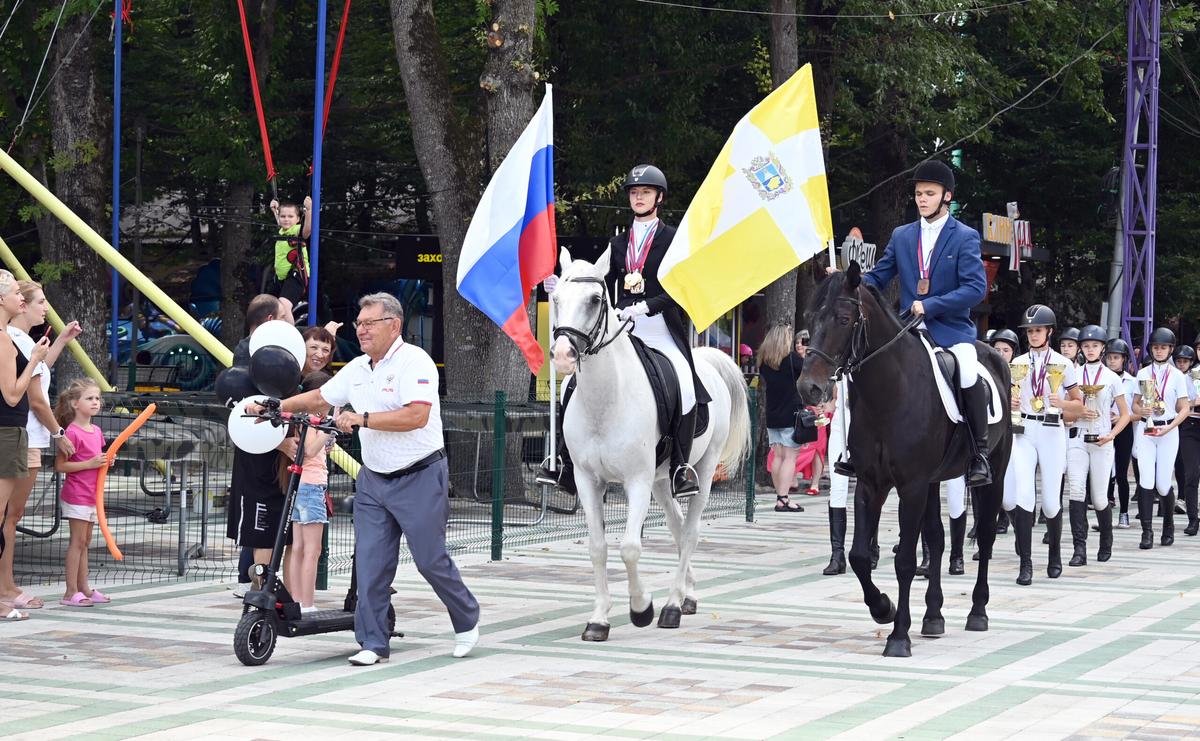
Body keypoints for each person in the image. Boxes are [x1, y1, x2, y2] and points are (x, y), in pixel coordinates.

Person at [256, 292, 479, 664]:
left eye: (368, 324)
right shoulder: (358, 368)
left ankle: (467, 618)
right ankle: (373, 643)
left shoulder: (415, 362)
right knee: (371, 564)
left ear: (394, 325)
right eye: (359, 324)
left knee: (430, 560)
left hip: (420, 474)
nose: (360, 330)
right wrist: (276, 406)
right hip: (375, 479)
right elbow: (319, 398)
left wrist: (363, 419)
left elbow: (416, 416)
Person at [539, 164, 711, 498]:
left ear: (658, 197)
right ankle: (564, 460)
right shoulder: (618, 243)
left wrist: (647, 306)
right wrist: (561, 284)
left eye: (645, 192)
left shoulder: (672, 239)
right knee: (571, 384)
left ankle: (680, 467)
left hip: (660, 325)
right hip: (621, 327)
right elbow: (598, 280)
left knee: (685, 383)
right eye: (634, 193)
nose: (639, 198)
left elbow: (680, 287)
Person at [851, 159, 992, 486]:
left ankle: (978, 453)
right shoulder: (902, 235)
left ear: (947, 196)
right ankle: (852, 450)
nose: (922, 199)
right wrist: (848, 282)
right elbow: (879, 276)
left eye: (930, 193)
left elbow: (974, 289)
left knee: (968, 371)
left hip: (951, 330)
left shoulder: (965, 237)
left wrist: (930, 305)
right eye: (918, 193)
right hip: (907, 330)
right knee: (863, 369)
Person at [0, 280, 81, 613]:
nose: (44, 307)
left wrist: (59, 341)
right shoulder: (11, 339)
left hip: (22, 434)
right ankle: (5, 588)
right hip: (20, 433)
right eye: (38, 300)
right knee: (9, 516)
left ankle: (6, 586)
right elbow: (25, 395)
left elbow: (38, 372)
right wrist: (59, 432)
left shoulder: (20, 340)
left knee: (10, 516)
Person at [1006, 304, 1083, 585]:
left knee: (1051, 501)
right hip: (1024, 429)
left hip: (1052, 430)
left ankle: (1054, 554)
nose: (1033, 335)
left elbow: (1079, 405)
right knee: (1023, 495)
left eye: (1038, 330)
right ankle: (1025, 563)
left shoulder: (1064, 364)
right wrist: (1009, 401)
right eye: (1030, 331)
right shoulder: (1016, 363)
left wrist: (1061, 403)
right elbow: (1006, 400)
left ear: (1049, 331)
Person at [229, 294, 293, 598]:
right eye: (284, 316)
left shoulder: (272, 349)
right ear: (270, 322)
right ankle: (258, 587)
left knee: (269, 526)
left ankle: (260, 582)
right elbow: (252, 407)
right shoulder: (254, 354)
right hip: (261, 448)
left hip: (277, 445)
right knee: (261, 525)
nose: (290, 323)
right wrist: (281, 442)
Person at [0, 270, 49, 621]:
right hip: (6, 432)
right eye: (16, 292)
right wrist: (33, 361)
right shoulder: (4, 340)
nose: (21, 298)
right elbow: (14, 394)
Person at [1064, 325, 1131, 566]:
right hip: (1077, 437)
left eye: (1095, 346)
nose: (1090, 350)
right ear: (1081, 348)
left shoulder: (1112, 378)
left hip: (1102, 438)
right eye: (1086, 346)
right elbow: (1064, 413)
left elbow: (1125, 414)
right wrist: (1074, 413)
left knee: (1100, 498)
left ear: (1103, 348)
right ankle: (1078, 549)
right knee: (1076, 491)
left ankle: (1106, 539)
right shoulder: (1071, 374)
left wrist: (1112, 435)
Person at [276, 372, 333, 614]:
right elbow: (310, 450)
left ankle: (299, 600)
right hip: (311, 488)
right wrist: (328, 433)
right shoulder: (313, 419)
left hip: (300, 486)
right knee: (312, 550)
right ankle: (307, 604)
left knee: (299, 547)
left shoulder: (303, 419)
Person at [1131, 328, 1192, 549]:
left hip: (1168, 430)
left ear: (1170, 349)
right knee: (1146, 481)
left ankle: (1168, 524)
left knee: (1163, 484)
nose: (1159, 351)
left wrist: (1171, 426)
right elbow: (1135, 404)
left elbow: (1184, 408)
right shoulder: (1143, 373)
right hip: (1147, 431)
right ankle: (1146, 532)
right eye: (1156, 347)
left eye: (1163, 347)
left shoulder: (1177, 376)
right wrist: (1141, 411)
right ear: (1151, 349)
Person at [53, 379, 110, 607]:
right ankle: (70, 591)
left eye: (97, 398)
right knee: (77, 542)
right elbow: (61, 465)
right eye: (90, 398)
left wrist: (105, 461)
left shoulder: (96, 431)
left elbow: (97, 460)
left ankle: (84, 587)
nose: (95, 402)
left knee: (85, 541)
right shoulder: (72, 433)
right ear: (75, 404)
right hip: (77, 494)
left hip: (92, 495)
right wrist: (90, 463)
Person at [756, 324, 805, 513]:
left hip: (772, 413)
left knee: (778, 456)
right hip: (790, 412)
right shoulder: (792, 360)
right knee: (790, 457)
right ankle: (783, 499)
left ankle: (780, 496)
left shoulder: (764, 361)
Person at [1104, 338, 1138, 529]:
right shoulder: (1100, 379)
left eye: (1116, 357)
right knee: (1104, 473)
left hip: (1124, 430)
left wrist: (1122, 418)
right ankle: (1105, 515)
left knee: (1122, 473)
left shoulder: (1132, 382)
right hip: (1103, 428)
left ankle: (1124, 513)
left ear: (1124, 359)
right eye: (1109, 357)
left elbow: (1138, 413)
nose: (1112, 361)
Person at [269, 197, 313, 319]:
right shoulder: (282, 231)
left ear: (298, 219)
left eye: (290, 216)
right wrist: (275, 211)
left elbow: (307, 230)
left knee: (284, 304)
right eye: (283, 216)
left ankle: (291, 335)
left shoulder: (297, 230)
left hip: (296, 274)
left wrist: (309, 210)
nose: (286, 219)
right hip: (281, 277)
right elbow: (281, 223)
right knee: (268, 305)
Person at [1173, 345, 1200, 536]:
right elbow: (1177, 405)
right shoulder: (1188, 377)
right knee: (1191, 474)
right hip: (1190, 426)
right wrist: (1192, 402)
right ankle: (1192, 519)